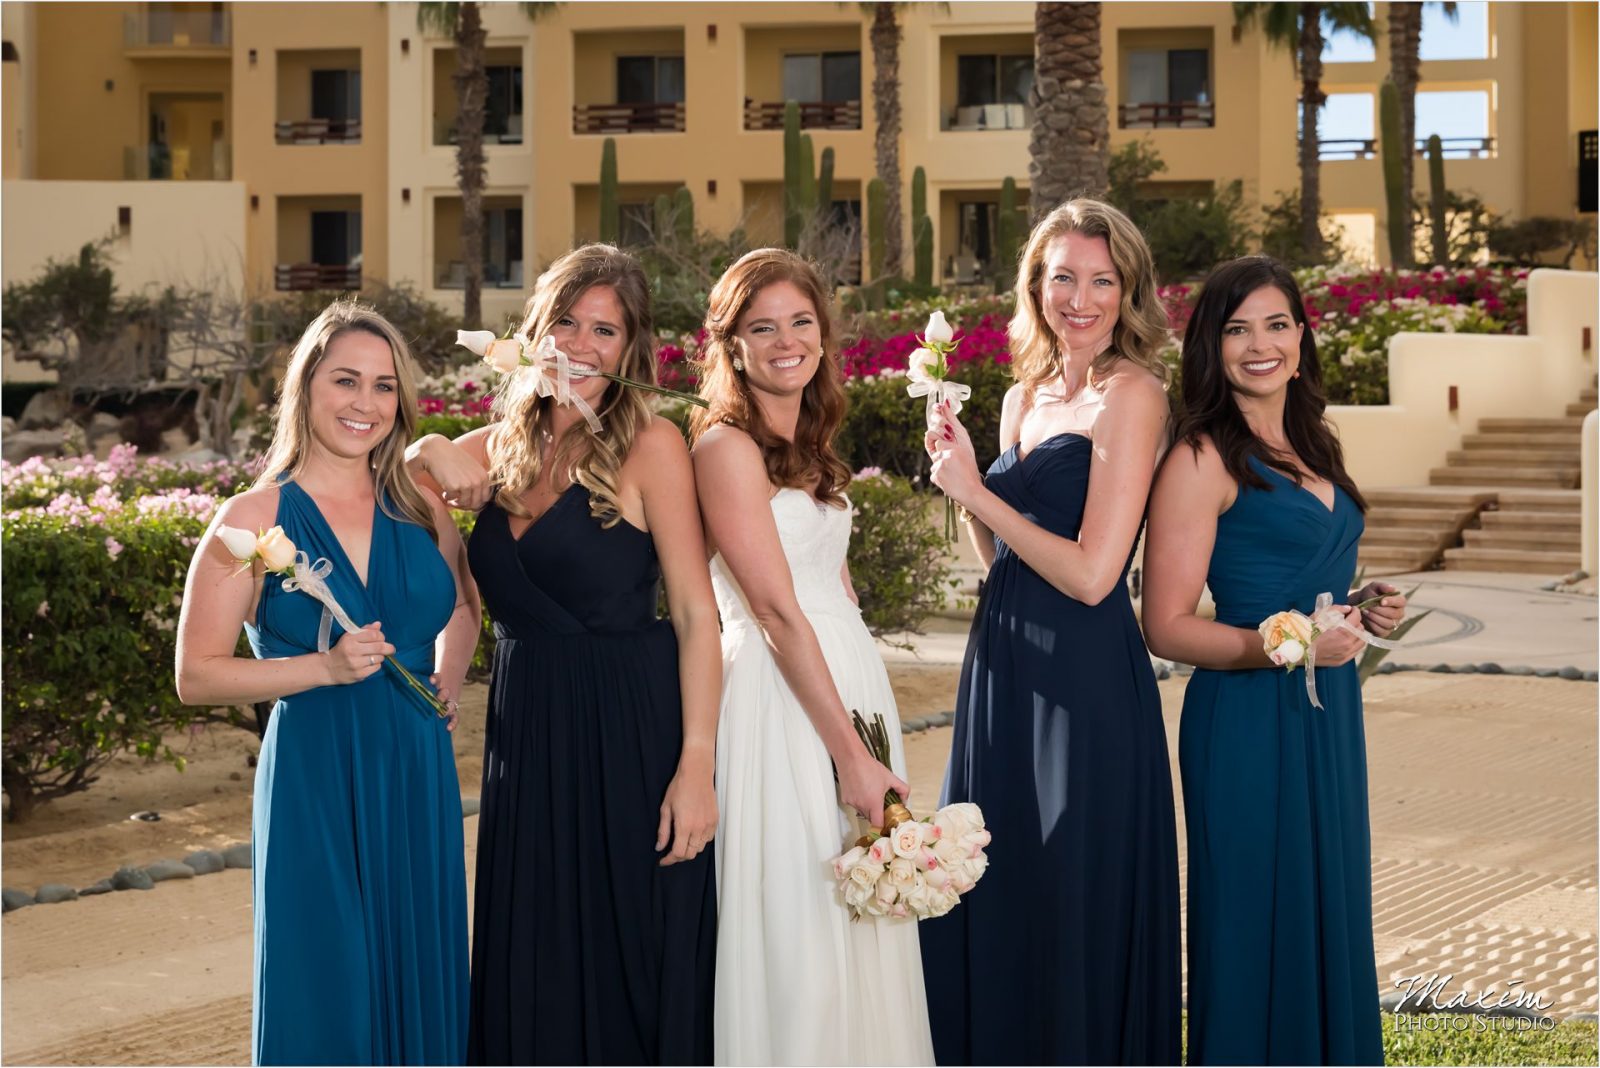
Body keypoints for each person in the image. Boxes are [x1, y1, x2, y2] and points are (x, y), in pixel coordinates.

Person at [406, 244, 719, 1065]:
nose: (580, 345)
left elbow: (694, 613)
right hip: (527, 735)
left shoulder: (652, 446)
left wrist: (696, 769)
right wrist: (427, 444)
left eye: (604, 331)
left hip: (633, 732)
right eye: (566, 323)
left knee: (633, 952)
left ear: (630, 350)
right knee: (535, 945)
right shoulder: (496, 449)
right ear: (535, 331)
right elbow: (406, 483)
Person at [176, 299, 478, 1065]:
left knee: (419, 961)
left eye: (384, 387)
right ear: (306, 386)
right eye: (346, 380)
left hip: (416, 765)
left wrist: (445, 678)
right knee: (327, 974)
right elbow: (195, 674)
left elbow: (466, 607)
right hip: (317, 769)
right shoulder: (252, 519)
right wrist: (322, 668)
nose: (365, 404)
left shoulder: (421, 508)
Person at [919, 199, 1182, 1064]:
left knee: (1073, 881)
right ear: (1036, 286)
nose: (1082, 296)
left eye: (1103, 279)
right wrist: (960, 472)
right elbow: (998, 556)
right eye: (1063, 276)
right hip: (1002, 663)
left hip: (1086, 675)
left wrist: (974, 491)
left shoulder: (1135, 395)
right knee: (1005, 878)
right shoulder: (1019, 396)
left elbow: (1094, 572)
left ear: (1129, 291)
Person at [1142, 255, 1405, 1065]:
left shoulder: (1314, 438)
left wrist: (1363, 605)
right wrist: (1287, 646)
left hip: (1329, 721)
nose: (1261, 345)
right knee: (1254, 915)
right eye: (1237, 329)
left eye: (1277, 324)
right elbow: (1167, 626)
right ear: (1210, 348)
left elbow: (1306, 580)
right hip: (1248, 720)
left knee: (1326, 902)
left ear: (1302, 333)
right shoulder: (1199, 458)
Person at [689, 248, 934, 1066]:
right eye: (763, 327)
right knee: (802, 928)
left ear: (823, 336)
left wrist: (874, 731)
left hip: (844, 685)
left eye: (801, 323)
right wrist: (852, 758)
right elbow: (774, 612)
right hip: (780, 702)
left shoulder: (814, 442)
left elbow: (838, 593)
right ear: (731, 345)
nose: (787, 341)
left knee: (863, 917)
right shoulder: (725, 448)